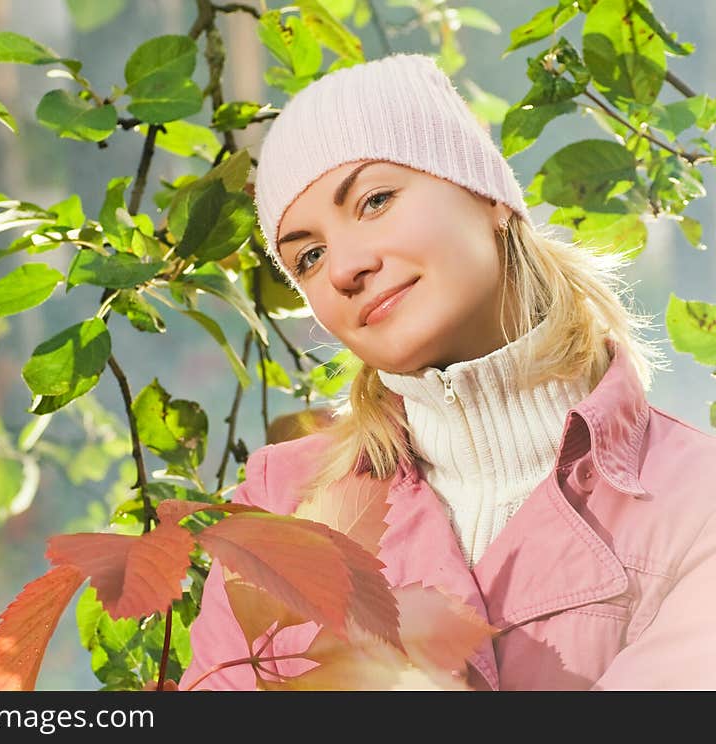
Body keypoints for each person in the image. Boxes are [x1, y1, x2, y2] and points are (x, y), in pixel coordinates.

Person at [178, 53, 716, 691]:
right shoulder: (282, 503)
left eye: (376, 200)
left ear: (488, 194)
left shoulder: (695, 503)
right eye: (310, 256)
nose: (345, 267)